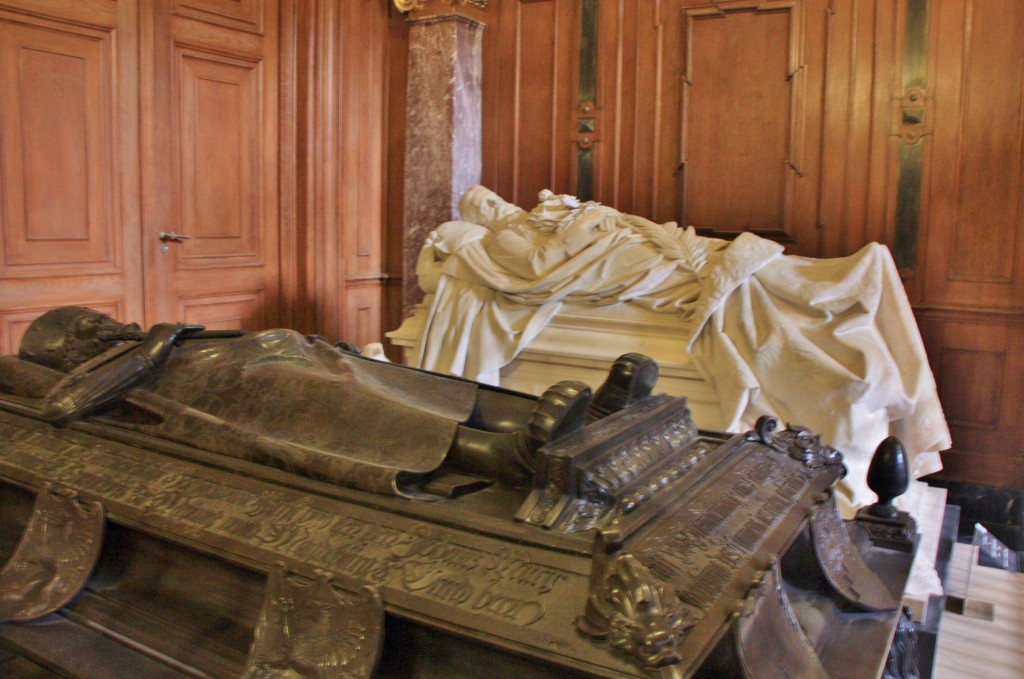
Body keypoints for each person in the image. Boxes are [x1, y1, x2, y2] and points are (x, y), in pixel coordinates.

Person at [1, 307, 656, 498]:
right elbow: (62, 411)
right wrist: (149, 352)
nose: (99, 328)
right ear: (61, 355)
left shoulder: (152, 338)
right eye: (82, 333)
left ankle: (571, 418)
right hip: (243, 392)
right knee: (340, 401)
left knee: (398, 381)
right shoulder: (97, 371)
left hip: (276, 357)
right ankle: (510, 456)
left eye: (94, 318)